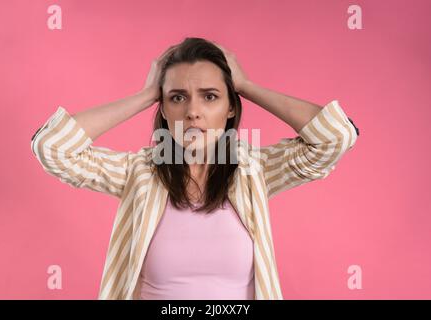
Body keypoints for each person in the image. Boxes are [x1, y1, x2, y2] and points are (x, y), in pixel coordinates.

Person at [30, 37, 359, 300]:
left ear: (231, 107)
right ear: (163, 108)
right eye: (177, 98)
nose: (192, 112)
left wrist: (245, 85)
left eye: (210, 97)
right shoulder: (140, 173)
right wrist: (146, 95)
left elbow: (335, 136)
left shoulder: (252, 171)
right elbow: (53, 147)